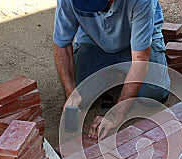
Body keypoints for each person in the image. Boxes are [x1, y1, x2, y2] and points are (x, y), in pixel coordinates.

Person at [53, 0, 170, 139]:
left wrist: (116, 114)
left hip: (136, 41)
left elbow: (140, 61)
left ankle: (125, 71)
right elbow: (62, 45)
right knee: (81, 95)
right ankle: (115, 71)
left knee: (154, 94)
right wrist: (70, 92)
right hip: (94, 40)